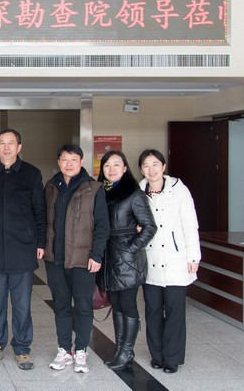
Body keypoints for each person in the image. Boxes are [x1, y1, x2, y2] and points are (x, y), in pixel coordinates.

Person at [0, 128, 46, 370]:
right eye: (2, 143)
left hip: (22, 249)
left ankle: (22, 348)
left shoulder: (31, 174)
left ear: (19, 147)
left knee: (22, 305)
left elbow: (40, 211)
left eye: (11, 143)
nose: (6, 147)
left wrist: (40, 242)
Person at [44, 143, 109, 374]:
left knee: (82, 306)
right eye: (64, 159)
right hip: (55, 259)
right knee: (61, 306)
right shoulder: (51, 187)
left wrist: (96, 255)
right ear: (59, 162)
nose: (69, 164)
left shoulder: (94, 188)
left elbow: (102, 225)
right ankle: (64, 350)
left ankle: (81, 349)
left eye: (73, 159)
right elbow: (44, 221)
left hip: (83, 259)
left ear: (81, 162)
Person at [138, 149, 201, 374]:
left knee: (175, 312)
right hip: (150, 260)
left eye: (155, 164)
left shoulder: (179, 191)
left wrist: (194, 257)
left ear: (163, 166)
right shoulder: (139, 192)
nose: (151, 169)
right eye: (146, 165)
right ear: (141, 169)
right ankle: (157, 355)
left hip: (176, 260)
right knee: (153, 311)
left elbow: (190, 225)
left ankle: (172, 357)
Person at [96, 150, 157, 370]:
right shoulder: (100, 192)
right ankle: (121, 349)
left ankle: (126, 350)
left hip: (128, 259)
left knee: (128, 304)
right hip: (108, 257)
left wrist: (130, 248)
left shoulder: (134, 193)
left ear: (124, 168)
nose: (111, 169)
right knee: (116, 305)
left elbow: (149, 227)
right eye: (107, 166)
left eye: (116, 165)